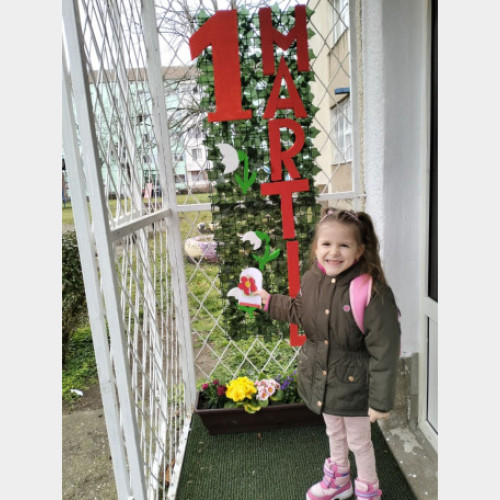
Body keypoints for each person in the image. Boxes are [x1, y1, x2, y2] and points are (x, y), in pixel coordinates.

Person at [255, 206, 401, 500]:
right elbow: (301, 313)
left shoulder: (372, 292)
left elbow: (385, 350)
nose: (333, 252)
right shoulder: (312, 279)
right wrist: (270, 302)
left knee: (359, 442)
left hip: (356, 387)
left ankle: (368, 489)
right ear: (316, 247)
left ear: (360, 251)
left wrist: (380, 401)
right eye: (326, 244)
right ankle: (339, 480)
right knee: (334, 433)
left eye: (344, 245)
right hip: (324, 380)